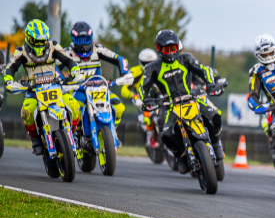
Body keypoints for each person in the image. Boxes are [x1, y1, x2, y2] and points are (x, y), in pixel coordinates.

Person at [139, 30, 219, 174]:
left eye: (173, 49)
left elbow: (204, 70)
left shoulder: (186, 58)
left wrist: (210, 83)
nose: (170, 53)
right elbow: (143, 87)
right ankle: (180, 156)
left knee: (216, 116)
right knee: (166, 135)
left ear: (177, 47)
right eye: (166, 49)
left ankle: (216, 144)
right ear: (159, 50)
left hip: (193, 99)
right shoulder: (152, 68)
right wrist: (145, 99)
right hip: (171, 106)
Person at [3, 20, 81, 155]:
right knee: (27, 110)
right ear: (28, 38)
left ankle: (72, 134)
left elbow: (69, 60)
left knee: (74, 105)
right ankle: (35, 140)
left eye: (42, 41)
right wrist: (9, 80)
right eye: (36, 41)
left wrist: (74, 70)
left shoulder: (53, 46)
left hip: (56, 88)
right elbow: (11, 68)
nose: (39, 45)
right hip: (33, 91)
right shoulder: (21, 52)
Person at [65, 21, 129, 129]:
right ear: (73, 39)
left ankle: (112, 132)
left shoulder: (98, 49)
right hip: (78, 90)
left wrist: (125, 74)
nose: (83, 44)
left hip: (100, 88)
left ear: (91, 37)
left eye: (85, 39)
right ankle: (74, 135)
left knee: (119, 107)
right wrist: (62, 80)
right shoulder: (67, 53)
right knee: (75, 108)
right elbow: (55, 69)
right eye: (79, 40)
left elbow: (119, 59)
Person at [121, 48, 161, 148]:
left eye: (151, 62)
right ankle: (150, 137)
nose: (148, 65)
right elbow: (124, 90)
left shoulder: (160, 70)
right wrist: (133, 96)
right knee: (147, 117)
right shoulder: (135, 72)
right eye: (145, 62)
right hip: (143, 100)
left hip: (160, 98)